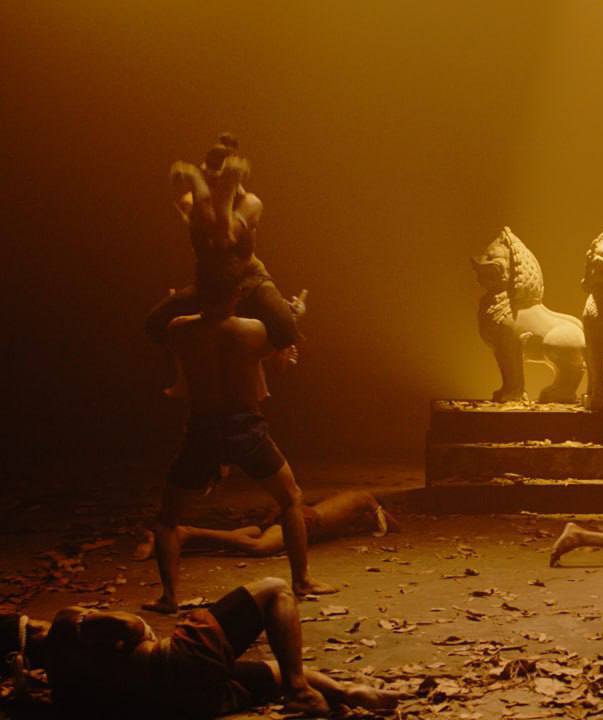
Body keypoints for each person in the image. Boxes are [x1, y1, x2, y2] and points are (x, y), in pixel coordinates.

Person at [147, 270, 334, 614]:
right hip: (244, 426)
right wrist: (292, 315)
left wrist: (175, 300)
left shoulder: (180, 328)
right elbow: (279, 356)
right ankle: (302, 581)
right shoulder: (253, 330)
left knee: (168, 519)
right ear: (236, 297)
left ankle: (169, 597)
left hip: (202, 428)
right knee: (291, 499)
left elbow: (165, 333)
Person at [1, 579, 402, 719]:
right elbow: (128, 625)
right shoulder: (65, 624)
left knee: (267, 672)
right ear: (28, 633)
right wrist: (139, 631)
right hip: (178, 663)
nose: (39, 621)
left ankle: (345, 693)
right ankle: (301, 690)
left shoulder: (62, 693)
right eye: (31, 623)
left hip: (182, 704)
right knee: (275, 590)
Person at [145, 133, 305, 356]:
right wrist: (201, 183)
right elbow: (215, 236)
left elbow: (225, 237)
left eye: (219, 181)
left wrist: (216, 184)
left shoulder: (251, 203)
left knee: (285, 330)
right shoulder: (191, 201)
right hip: (211, 284)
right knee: (154, 325)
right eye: (209, 180)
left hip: (251, 279)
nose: (213, 185)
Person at [134, 491, 398, 560]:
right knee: (259, 547)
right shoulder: (365, 499)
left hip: (305, 519)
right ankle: (188, 532)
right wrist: (381, 512)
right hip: (306, 521)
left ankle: (166, 540)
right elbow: (392, 525)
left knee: (246, 536)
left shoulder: (351, 512)